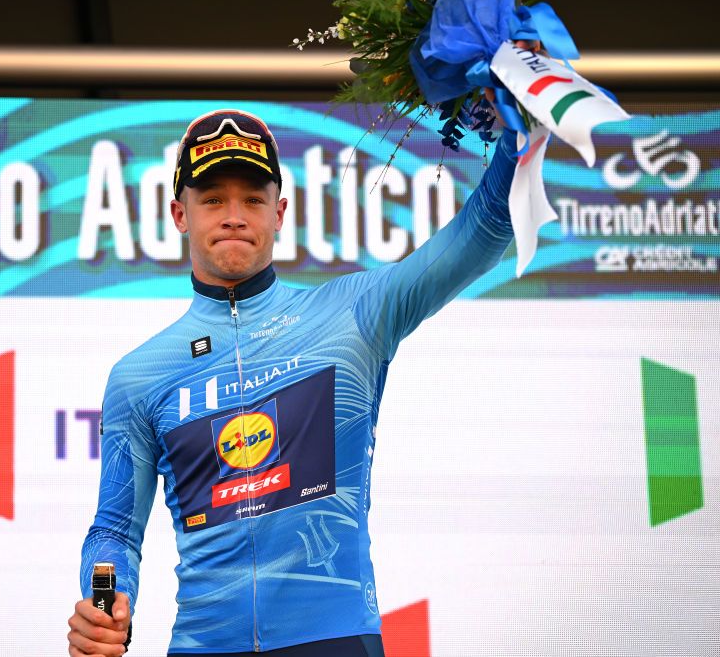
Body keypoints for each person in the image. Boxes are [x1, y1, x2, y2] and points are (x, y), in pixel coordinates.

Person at [67, 106, 518, 656]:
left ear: (279, 212)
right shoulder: (140, 375)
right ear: (179, 215)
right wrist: (105, 602)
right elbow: (114, 531)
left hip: (334, 638)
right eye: (212, 199)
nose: (234, 216)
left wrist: (517, 128)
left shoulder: (355, 313)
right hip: (203, 645)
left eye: (253, 199)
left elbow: (486, 230)